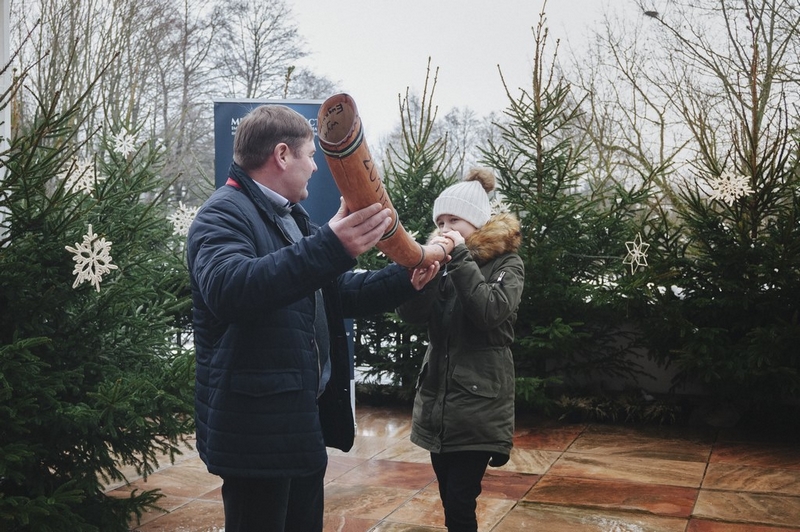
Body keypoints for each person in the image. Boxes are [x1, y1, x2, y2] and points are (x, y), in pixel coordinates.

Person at [186, 104, 439, 532]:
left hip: (298, 423)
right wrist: (330, 246)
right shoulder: (222, 213)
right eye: (310, 155)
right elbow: (230, 290)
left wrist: (405, 278)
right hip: (256, 433)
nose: (316, 167)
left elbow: (332, 293)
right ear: (282, 155)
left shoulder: (289, 216)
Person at [398, 168, 524, 532]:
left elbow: (490, 313)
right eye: (440, 221)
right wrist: (418, 283)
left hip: (479, 404)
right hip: (438, 400)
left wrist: (462, 259)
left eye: (454, 220)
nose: (444, 228)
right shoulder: (440, 262)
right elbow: (410, 316)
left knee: (460, 498)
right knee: (448, 495)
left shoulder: (507, 263)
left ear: (477, 222)